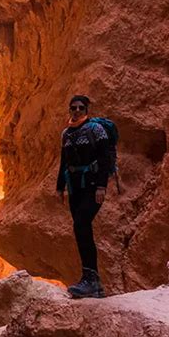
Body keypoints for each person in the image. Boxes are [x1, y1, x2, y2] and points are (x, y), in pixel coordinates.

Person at [56, 94, 110, 298]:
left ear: (87, 109)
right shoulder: (66, 134)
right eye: (73, 108)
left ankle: (91, 279)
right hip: (75, 187)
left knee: (81, 224)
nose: (77, 111)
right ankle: (91, 280)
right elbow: (63, 161)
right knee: (80, 229)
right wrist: (59, 187)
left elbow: (104, 158)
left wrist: (101, 186)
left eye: (80, 107)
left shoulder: (96, 130)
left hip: (92, 185)